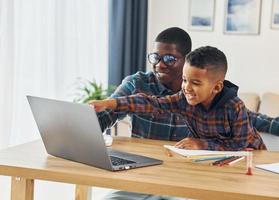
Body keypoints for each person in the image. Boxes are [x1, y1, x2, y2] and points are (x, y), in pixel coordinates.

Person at [97, 27, 279, 151]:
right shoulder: (143, 85)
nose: (159, 64)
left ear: (185, 60)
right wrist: (105, 107)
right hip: (146, 170)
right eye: (155, 57)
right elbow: (143, 103)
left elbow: (250, 121)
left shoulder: (222, 102)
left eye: (169, 58)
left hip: (193, 170)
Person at [91, 46, 267, 150]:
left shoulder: (234, 106)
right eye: (184, 80)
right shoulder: (184, 100)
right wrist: (110, 103)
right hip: (218, 159)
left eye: (196, 83)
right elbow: (152, 103)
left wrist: (201, 144)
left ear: (217, 87)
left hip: (253, 156)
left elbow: (239, 147)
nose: (187, 88)